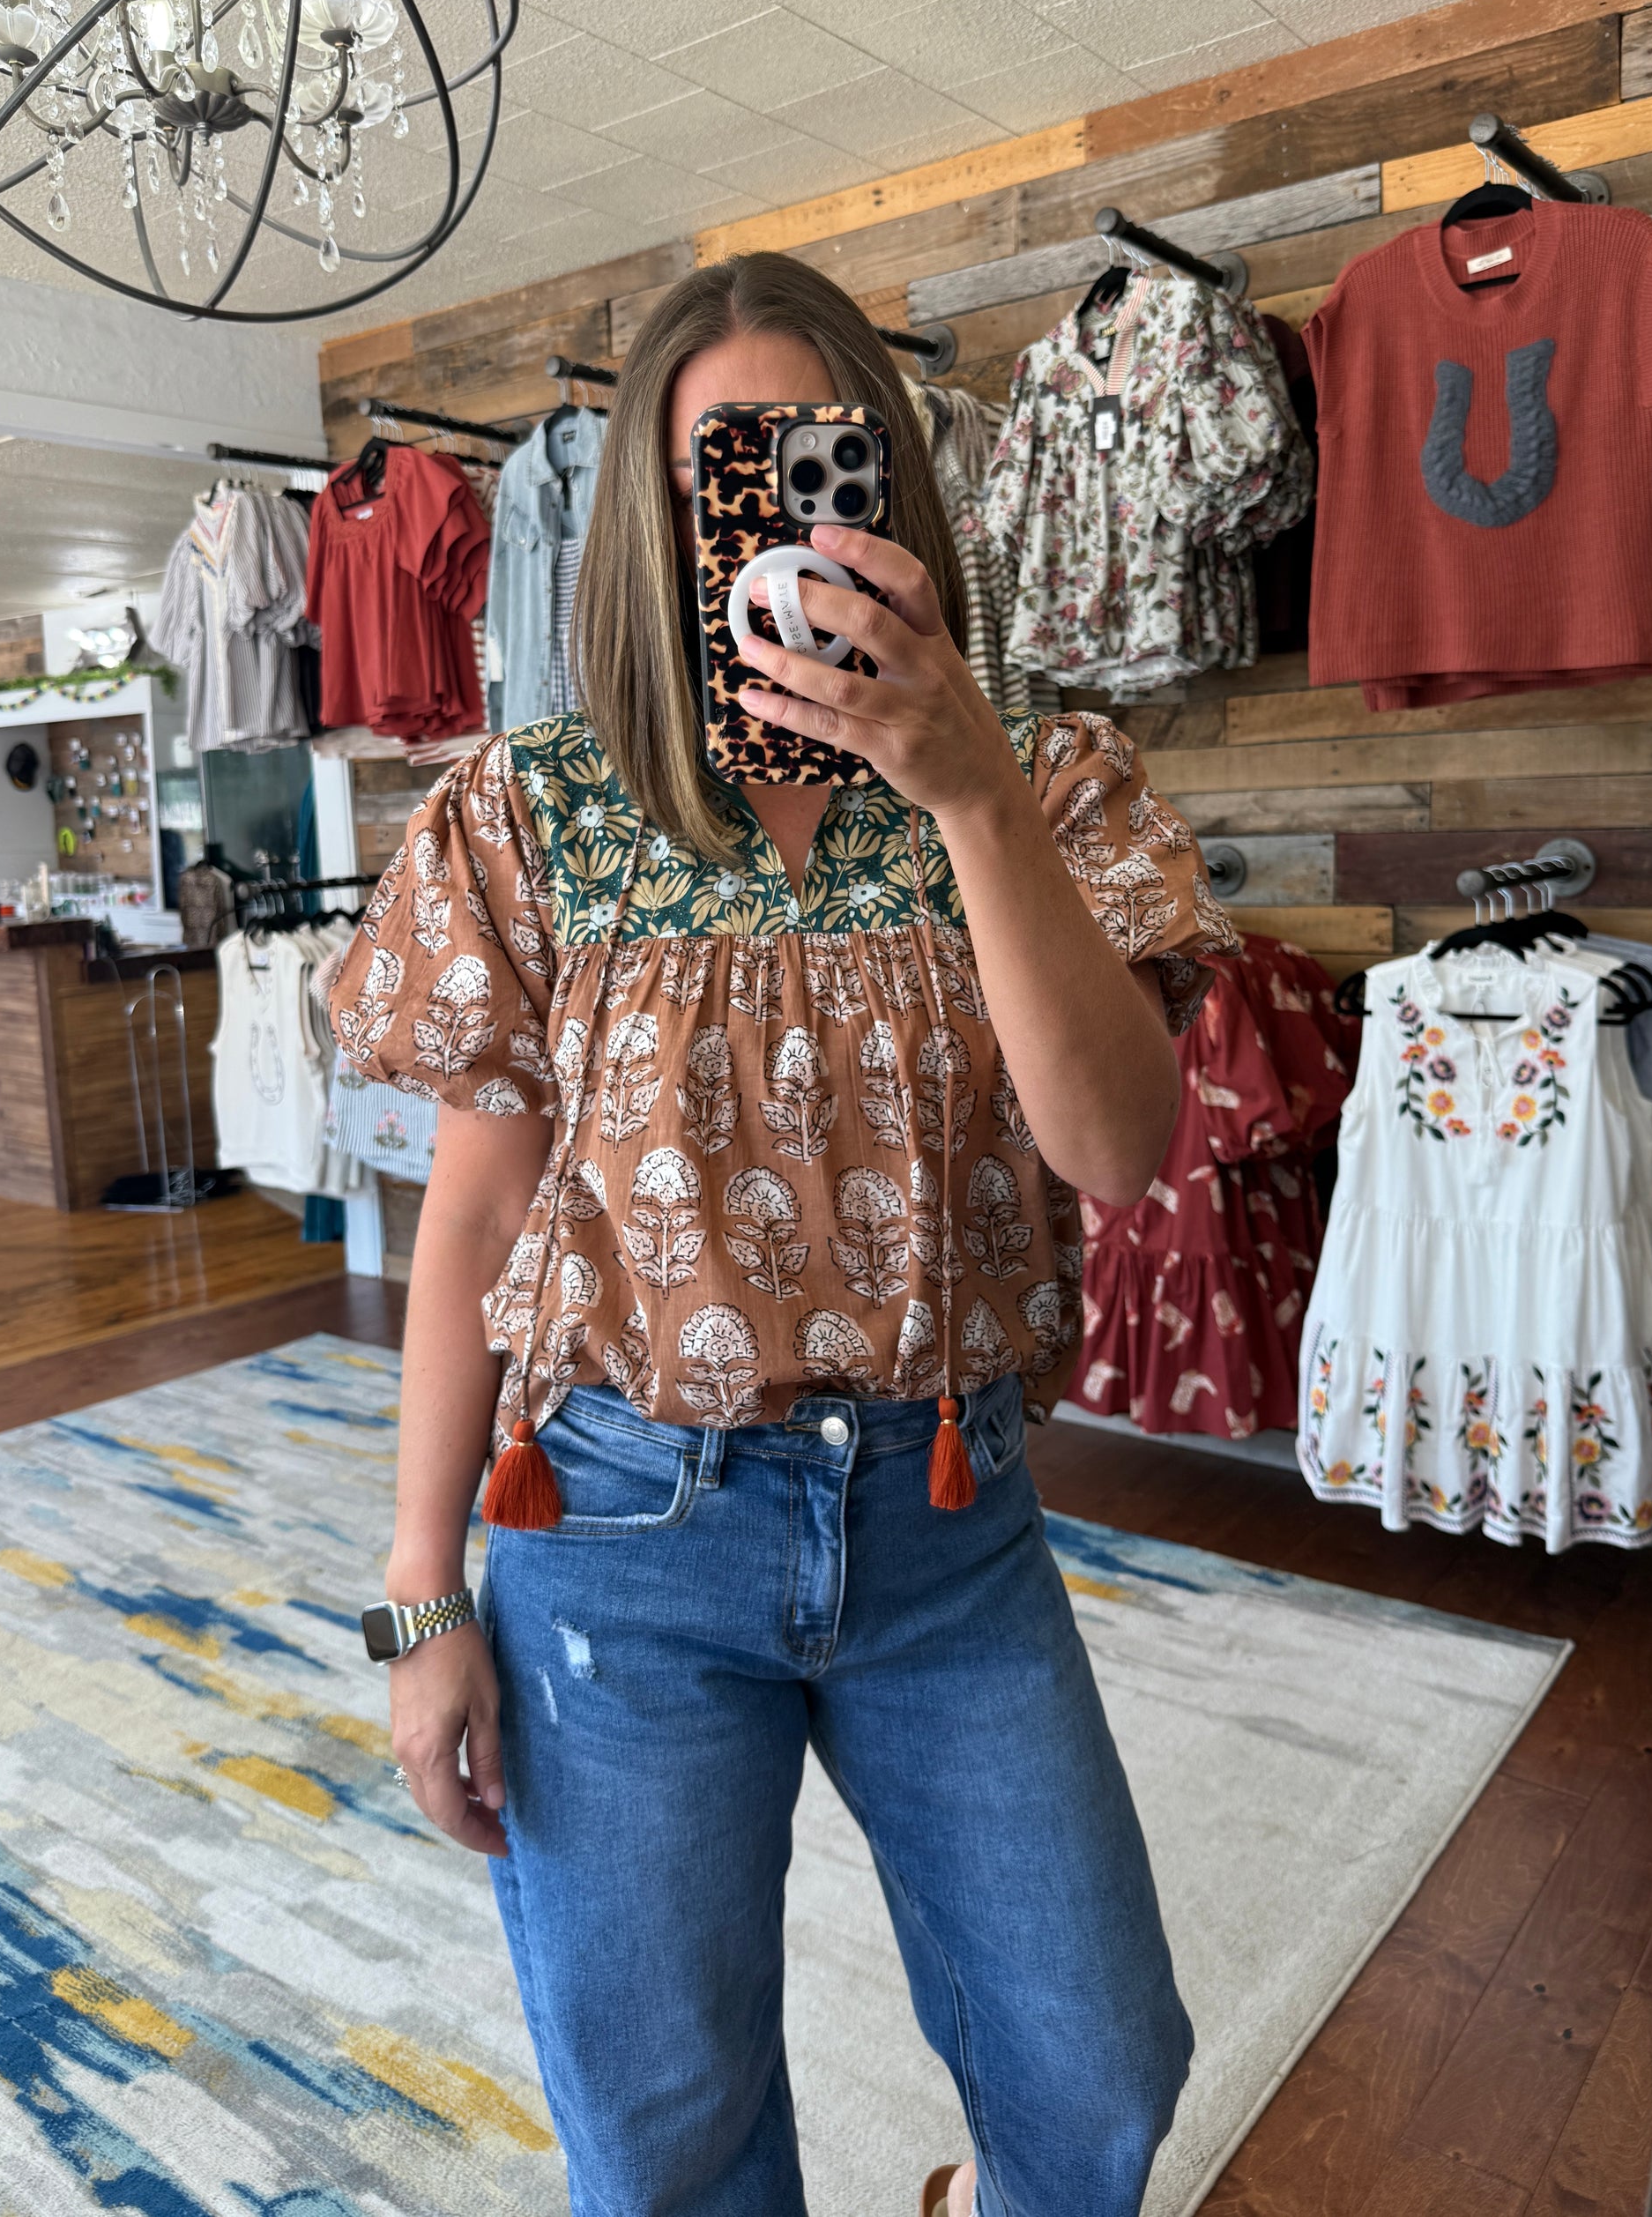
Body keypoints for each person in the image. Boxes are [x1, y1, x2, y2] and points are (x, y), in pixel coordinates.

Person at [328, 251, 1239, 2217]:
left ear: (887, 484)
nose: (767, 523)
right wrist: (420, 1599)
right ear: (652, 524)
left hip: (945, 1525)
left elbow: (1118, 1148)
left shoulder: (1048, 778)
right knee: (666, 2138)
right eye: (713, 476)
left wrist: (969, 793)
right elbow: (473, 1215)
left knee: (1097, 2073)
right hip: (614, 1537)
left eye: (811, 464)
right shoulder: (532, 813)